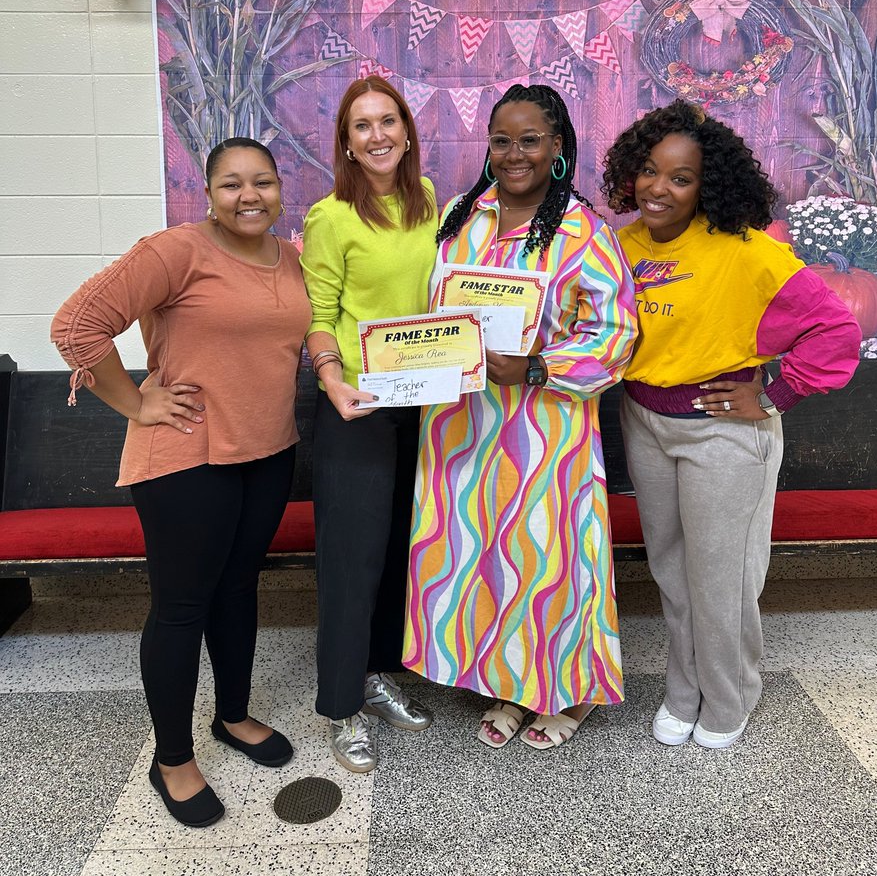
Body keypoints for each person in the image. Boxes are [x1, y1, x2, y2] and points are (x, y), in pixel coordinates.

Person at [51, 138, 310, 827]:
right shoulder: (175, 251)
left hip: (268, 451)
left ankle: (233, 715)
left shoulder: (292, 258)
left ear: (281, 189)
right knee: (181, 607)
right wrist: (136, 402)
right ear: (208, 193)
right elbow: (77, 325)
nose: (248, 195)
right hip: (187, 458)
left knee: (238, 588)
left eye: (262, 181)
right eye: (231, 185)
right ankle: (173, 758)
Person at [602, 100, 862, 750]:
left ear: (707, 186)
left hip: (720, 429)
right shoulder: (620, 245)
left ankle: (729, 698)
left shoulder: (745, 253)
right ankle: (684, 690)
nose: (660, 188)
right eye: (650, 171)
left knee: (721, 578)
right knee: (671, 569)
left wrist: (772, 393)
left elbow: (836, 328)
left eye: (681, 178)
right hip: (645, 421)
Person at [403, 84, 638, 750]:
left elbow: (616, 332)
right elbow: (438, 306)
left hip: (544, 429)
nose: (514, 154)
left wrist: (536, 366)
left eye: (530, 139)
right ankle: (512, 684)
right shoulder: (462, 215)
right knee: (486, 555)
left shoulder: (581, 230)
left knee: (549, 555)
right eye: (501, 140)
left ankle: (572, 692)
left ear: (557, 145)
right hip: (466, 427)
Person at [301, 75, 438, 773]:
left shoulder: (430, 202)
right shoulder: (332, 216)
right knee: (351, 560)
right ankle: (340, 707)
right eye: (363, 126)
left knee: (397, 553)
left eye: (389, 120)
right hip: (356, 405)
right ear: (347, 143)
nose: (378, 134)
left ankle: (376, 675)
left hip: (424, 400)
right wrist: (332, 381)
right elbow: (317, 317)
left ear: (408, 131)